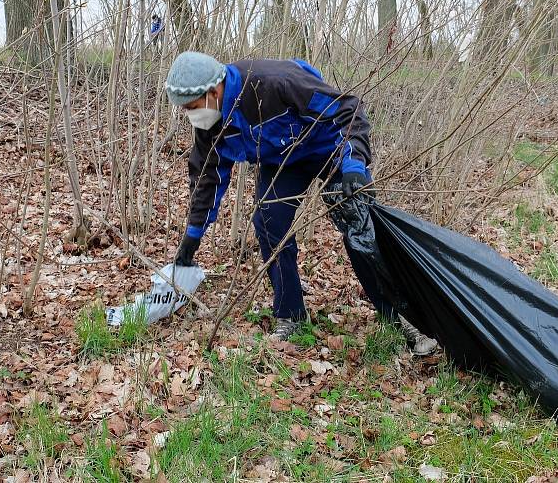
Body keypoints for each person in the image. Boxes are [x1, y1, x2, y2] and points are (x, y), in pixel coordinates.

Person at [165, 51, 436, 354]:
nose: (191, 116)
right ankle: (290, 315)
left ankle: (403, 315)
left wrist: (355, 165)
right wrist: (192, 237)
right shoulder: (211, 125)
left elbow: (348, 108)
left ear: (213, 91)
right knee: (269, 223)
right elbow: (206, 179)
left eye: (191, 107)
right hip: (283, 162)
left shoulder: (273, 83)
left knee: (358, 223)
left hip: (329, 146)